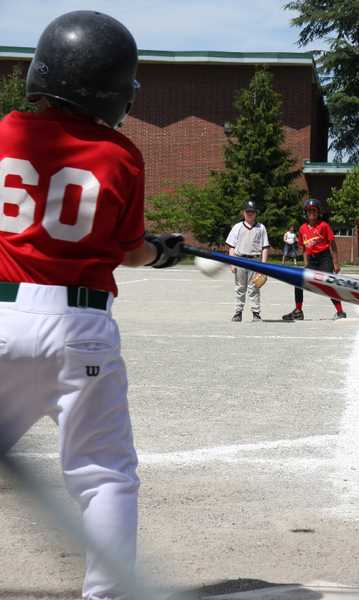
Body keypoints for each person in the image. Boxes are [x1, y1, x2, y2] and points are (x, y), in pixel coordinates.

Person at [0, 10, 184, 600]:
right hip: (81, 326)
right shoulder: (121, 154)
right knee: (104, 475)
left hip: (2, 313)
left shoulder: (5, 132)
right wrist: (160, 253)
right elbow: (127, 251)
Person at [282, 198, 347, 321]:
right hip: (312, 260)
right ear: (306, 213)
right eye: (309, 211)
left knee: (328, 284)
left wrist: (336, 263)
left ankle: (340, 312)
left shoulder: (324, 226)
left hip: (324, 258)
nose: (312, 213)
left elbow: (332, 245)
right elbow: (304, 249)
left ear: (318, 212)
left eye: (314, 210)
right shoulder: (302, 229)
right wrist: (306, 264)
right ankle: (298, 311)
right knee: (298, 280)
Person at [226, 200, 270, 322]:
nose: (250, 214)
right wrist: (232, 262)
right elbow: (232, 247)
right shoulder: (237, 227)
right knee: (240, 287)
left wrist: (263, 265)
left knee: (254, 287)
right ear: (243, 213)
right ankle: (238, 312)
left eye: (252, 212)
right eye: (247, 211)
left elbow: (265, 247)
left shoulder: (261, 228)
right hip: (239, 259)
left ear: (256, 213)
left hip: (255, 260)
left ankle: (256, 313)